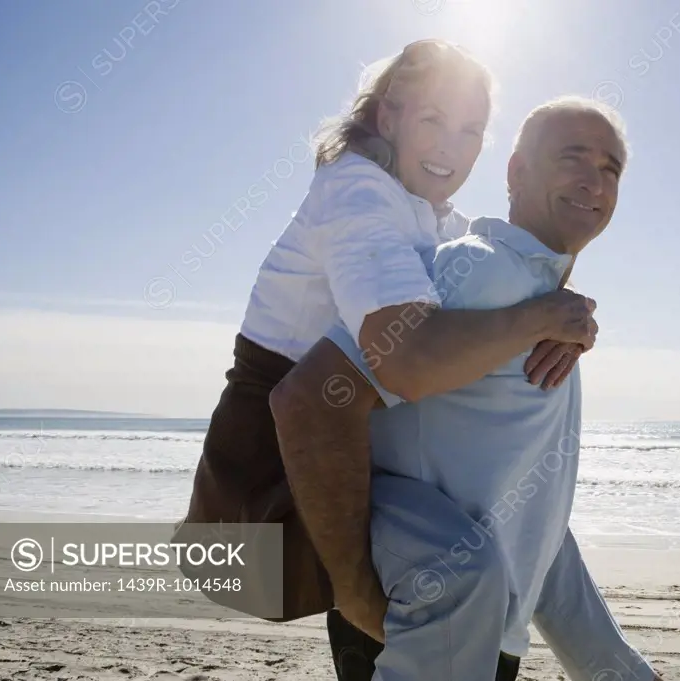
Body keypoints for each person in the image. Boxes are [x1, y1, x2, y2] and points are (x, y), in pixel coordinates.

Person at [177, 37, 620, 681]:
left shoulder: (436, 220)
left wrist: (564, 314)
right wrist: (356, 590)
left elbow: (501, 265)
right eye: (433, 120)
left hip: (353, 461)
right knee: (461, 572)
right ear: (388, 119)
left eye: (470, 130)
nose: (450, 147)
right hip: (273, 476)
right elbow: (403, 360)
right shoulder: (357, 192)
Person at [272, 96, 660, 681]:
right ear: (516, 172)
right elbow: (308, 399)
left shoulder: (550, 305)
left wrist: (620, 672)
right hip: (420, 615)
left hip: (485, 636)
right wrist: (351, 589)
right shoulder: (473, 268)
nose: (593, 180)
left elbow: (533, 525)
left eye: (610, 168)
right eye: (572, 158)